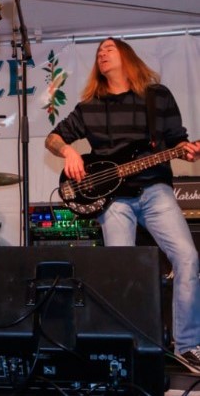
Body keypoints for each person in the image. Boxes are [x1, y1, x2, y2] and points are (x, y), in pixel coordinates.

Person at [45, 37, 200, 371]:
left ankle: (187, 346)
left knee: (187, 257)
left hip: (154, 189)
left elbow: (176, 140)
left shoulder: (157, 96)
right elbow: (53, 138)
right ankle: (127, 344)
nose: (102, 53)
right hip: (113, 200)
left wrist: (185, 149)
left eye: (109, 48)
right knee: (121, 270)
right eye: (99, 51)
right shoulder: (89, 107)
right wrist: (69, 152)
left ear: (126, 56)